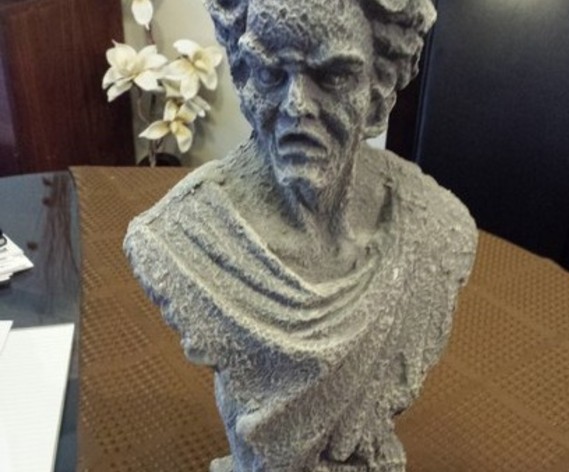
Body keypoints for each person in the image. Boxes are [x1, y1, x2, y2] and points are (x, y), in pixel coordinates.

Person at [124, 0, 477, 470]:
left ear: (378, 89)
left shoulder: (435, 229)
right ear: (244, 78)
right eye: (270, 74)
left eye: (334, 77)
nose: (296, 106)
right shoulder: (179, 237)